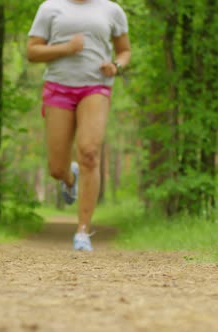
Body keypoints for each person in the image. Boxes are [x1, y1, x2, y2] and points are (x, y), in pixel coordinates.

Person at [26, 0, 131, 251]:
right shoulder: (50, 7)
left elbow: (124, 51)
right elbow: (32, 51)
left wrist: (116, 66)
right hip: (58, 88)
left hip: (96, 86)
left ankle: (83, 231)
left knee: (90, 153)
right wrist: (66, 48)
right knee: (55, 168)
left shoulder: (112, 10)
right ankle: (68, 179)